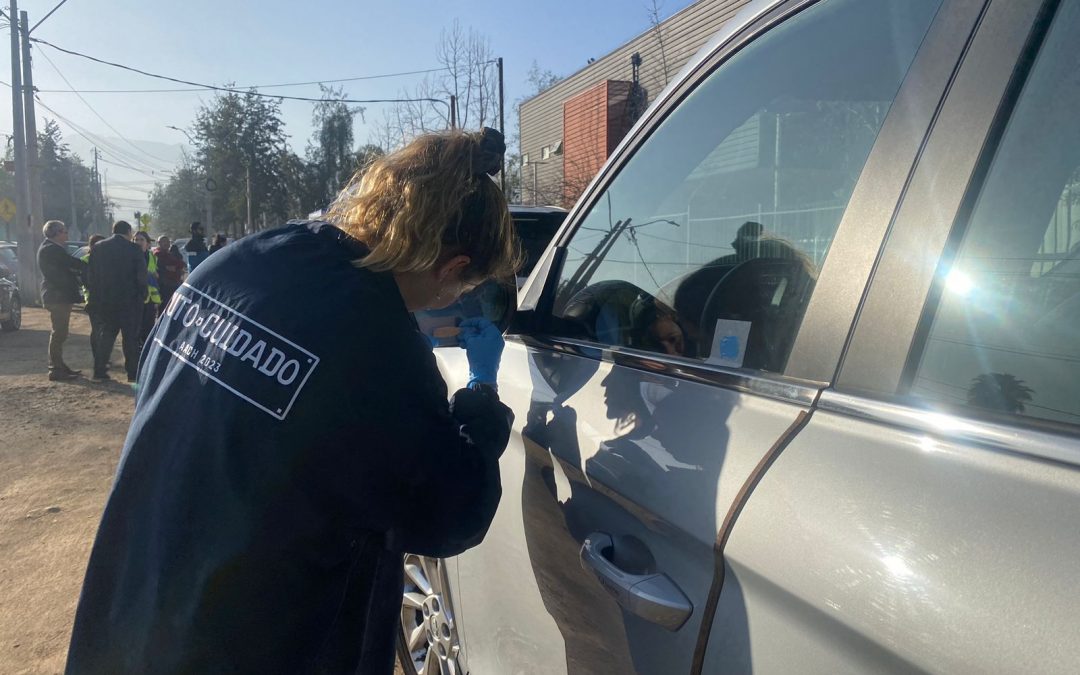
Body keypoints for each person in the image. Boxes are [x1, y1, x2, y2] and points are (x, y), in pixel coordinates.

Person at [67, 127, 519, 674]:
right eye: (464, 288)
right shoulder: (380, 347)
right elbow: (451, 513)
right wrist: (480, 395)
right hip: (255, 643)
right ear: (450, 268)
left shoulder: (241, 260)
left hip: (132, 607)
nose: (455, 299)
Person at [86, 220, 147, 382]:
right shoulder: (134, 249)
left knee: (106, 336)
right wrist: (142, 294)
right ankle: (132, 374)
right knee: (130, 339)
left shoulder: (98, 248)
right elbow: (141, 276)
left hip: (106, 301)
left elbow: (91, 275)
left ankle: (99, 371)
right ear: (128, 232)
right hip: (130, 301)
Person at [37, 219, 87, 381]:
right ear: (56, 233)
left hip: (57, 296)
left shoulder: (52, 248)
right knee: (59, 333)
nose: (67, 233)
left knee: (61, 332)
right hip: (57, 297)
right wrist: (89, 263)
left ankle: (59, 365)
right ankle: (55, 368)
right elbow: (71, 264)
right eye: (64, 231)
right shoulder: (52, 249)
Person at [81, 234, 106, 368]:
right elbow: (87, 281)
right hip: (93, 300)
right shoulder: (86, 260)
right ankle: (98, 359)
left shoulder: (108, 260)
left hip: (108, 300)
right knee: (97, 330)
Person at [134, 231, 162, 347]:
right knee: (136, 327)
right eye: (136, 240)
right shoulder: (131, 255)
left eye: (141, 240)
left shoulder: (151, 256)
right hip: (137, 297)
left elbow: (155, 275)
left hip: (150, 298)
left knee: (149, 326)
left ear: (148, 244)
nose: (138, 242)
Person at [154, 234, 184, 314]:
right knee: (164, 307)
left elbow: (180, 264)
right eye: (163, 241)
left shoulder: (171, 254)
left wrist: (175, 268)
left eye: (167, 242)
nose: (166, 243)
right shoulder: (157, 254)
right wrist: (168, 268)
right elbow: (161, 267)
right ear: (159, 243)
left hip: (174, 283)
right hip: (164, 285)